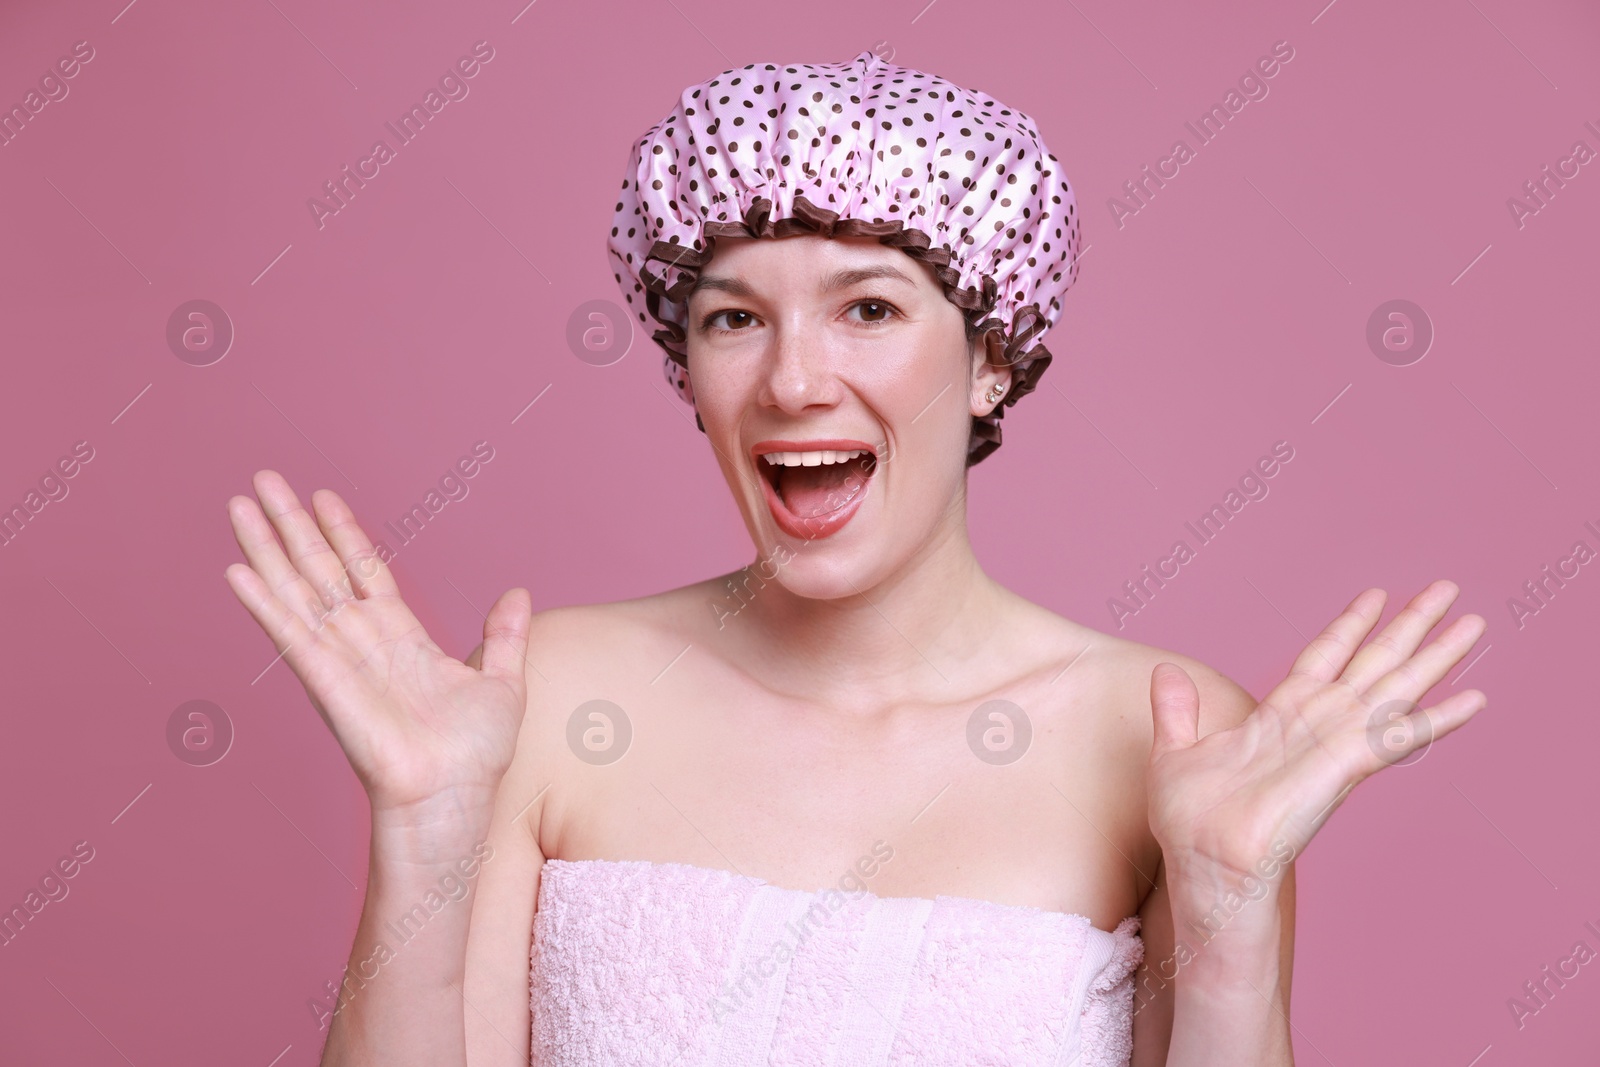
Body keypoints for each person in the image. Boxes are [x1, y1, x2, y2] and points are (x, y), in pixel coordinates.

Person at [223, 51, 1488, 1066]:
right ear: (688, 371)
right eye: (732, 318)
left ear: (992, 354)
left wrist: (1223, 920)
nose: (790, 378)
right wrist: (424, 837)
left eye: (868, 307)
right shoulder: (547, 698)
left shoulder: (1168, 732)